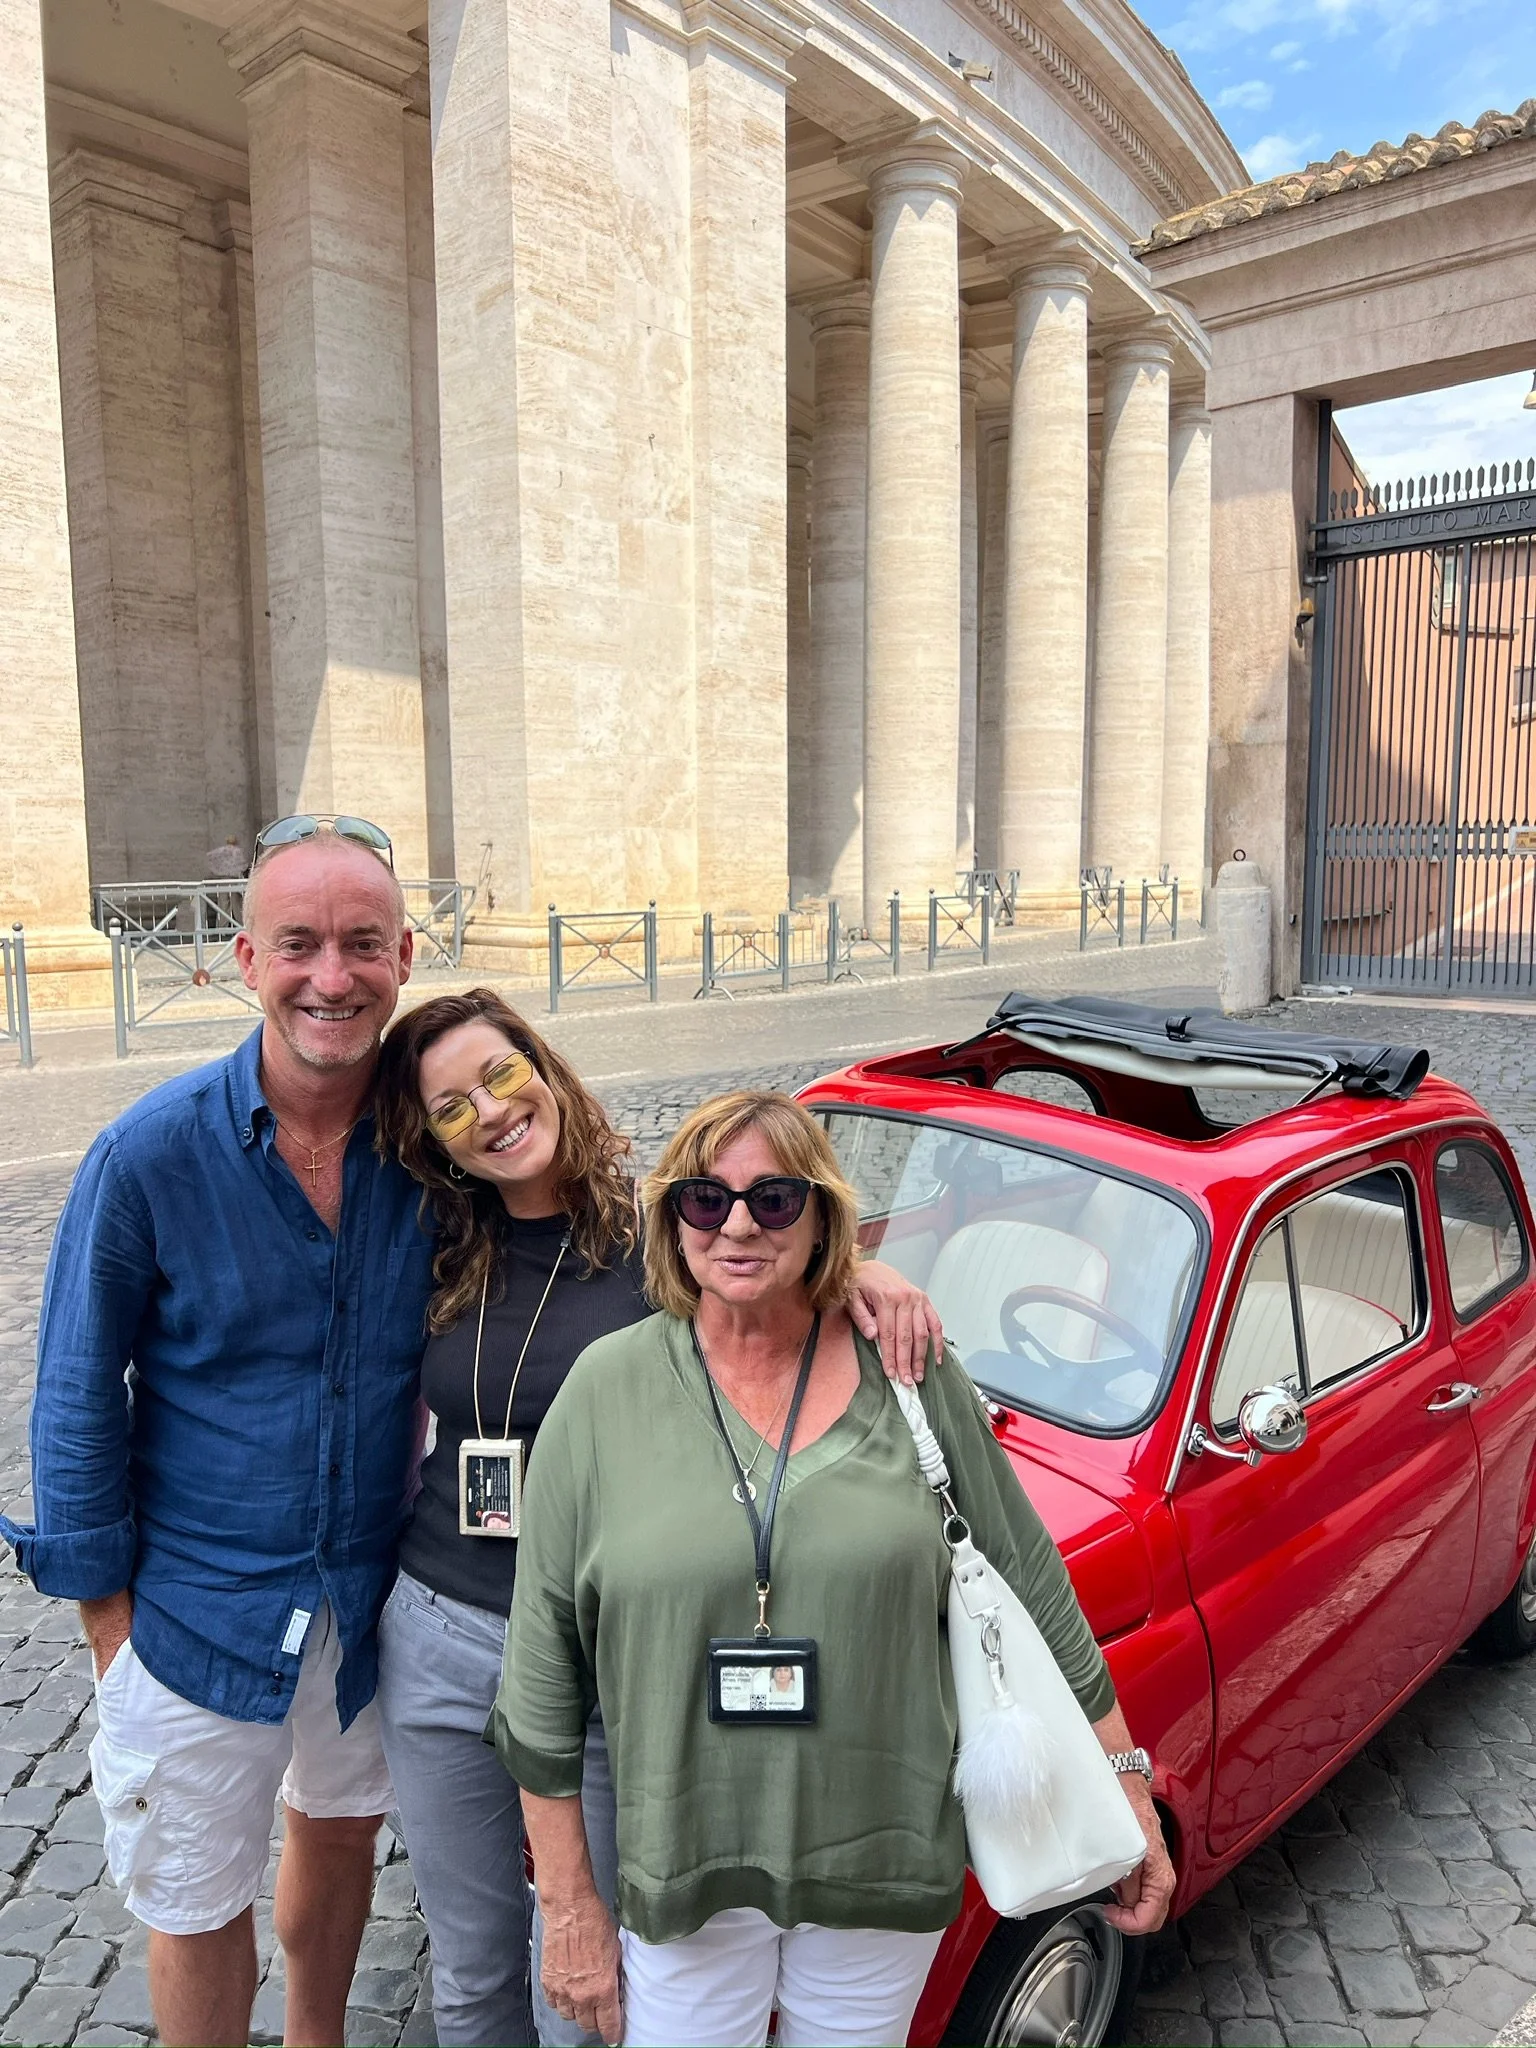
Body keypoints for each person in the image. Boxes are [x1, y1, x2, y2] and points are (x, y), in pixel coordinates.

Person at [494, 1090, 1175, 2048]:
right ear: (672, 1219)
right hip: (687, 1863)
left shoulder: (909, 1365)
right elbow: (541, 1674)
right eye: (704, 1199)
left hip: (880, 1863)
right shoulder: (605, 1391)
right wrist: (568, 1901)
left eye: (774, 1200)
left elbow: (1028, 1577)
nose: (736, 1223)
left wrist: (1126, 1784)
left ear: (822, 1220)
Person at [370, 992, 945, 2048]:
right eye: (451, 1106)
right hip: (439, 1629)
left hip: (602, 1658)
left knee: (601, 1973)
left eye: (501, 1074)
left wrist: (868, 1269)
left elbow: (770, 1258)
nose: (491, 1112)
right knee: (470, 1965)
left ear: (543, 1064)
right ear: (430, 1139)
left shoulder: (659, 1231)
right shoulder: (433, 1242)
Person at [0, 814, 437, 2048]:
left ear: (406, 952)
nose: (331, 976)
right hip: (192, 1610)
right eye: (298, 942)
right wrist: (108, 1627)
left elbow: (613, 1231)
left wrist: (844, 1278)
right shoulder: (146, 1155)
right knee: (194, 1898)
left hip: (368, 1595)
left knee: (341, 1831)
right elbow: (77, 1393)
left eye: (362, 942)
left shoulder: (436, 1146)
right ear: (246, 958)